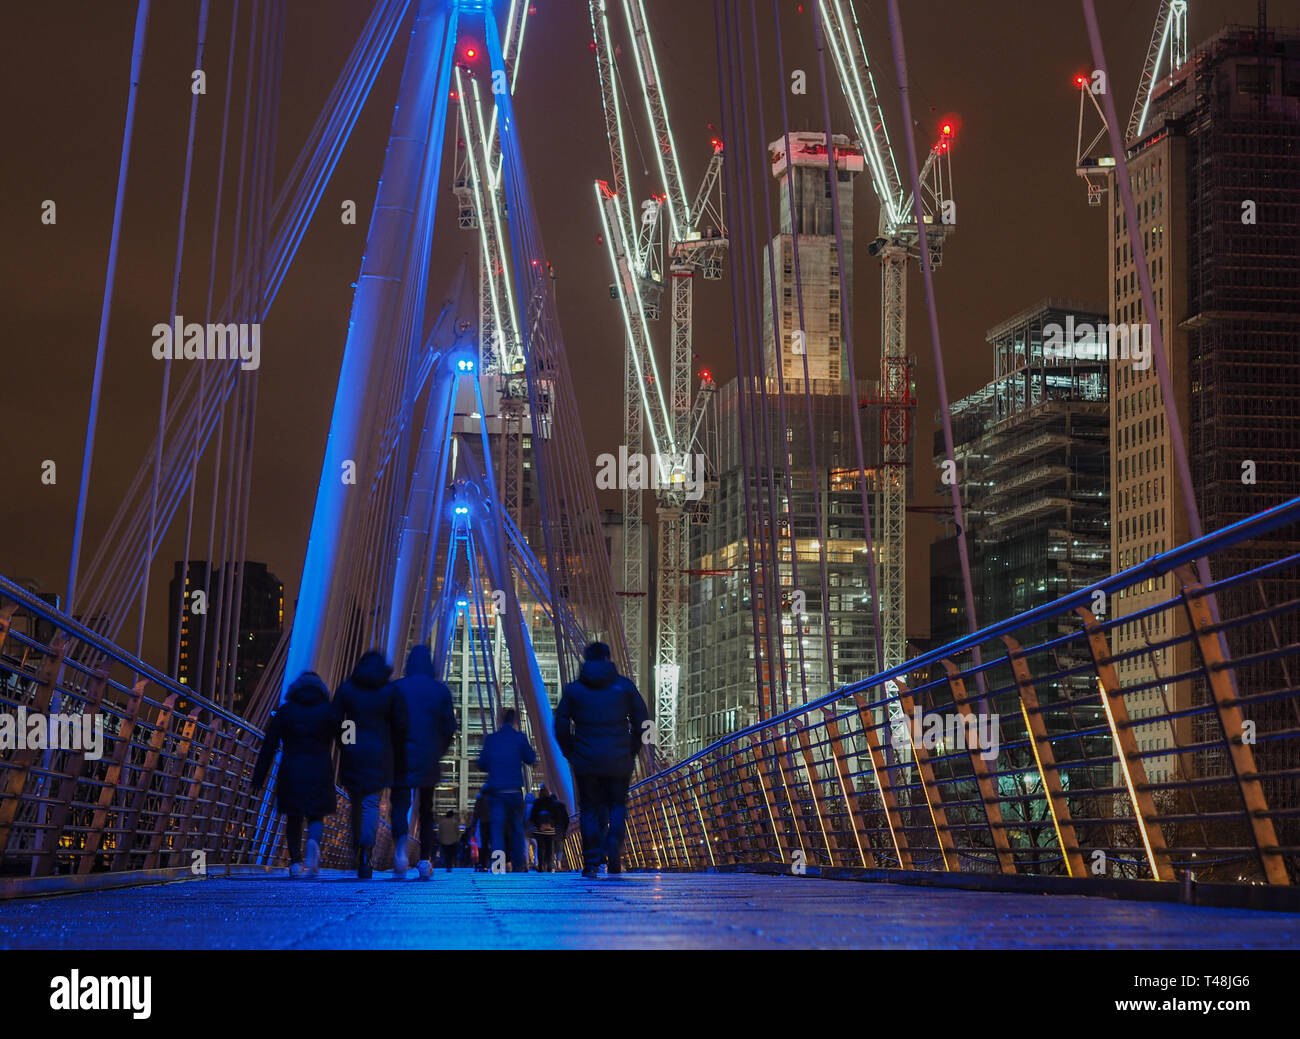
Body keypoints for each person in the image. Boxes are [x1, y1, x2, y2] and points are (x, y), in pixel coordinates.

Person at [555, 641, 649, 879]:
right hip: (619, 757)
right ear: (608, 659)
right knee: (617, 804)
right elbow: (644, 721)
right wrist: (633, 749)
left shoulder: (573, 690)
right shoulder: (625, 687)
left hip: (586, 759)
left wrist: (571, 752)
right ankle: (614, 844)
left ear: (586, 660)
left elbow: (561, 724)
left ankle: (591, 862)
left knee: (589, 809)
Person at [250, 671, 338, 879]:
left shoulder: (286, 711)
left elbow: (269, 745)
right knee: (316, 814)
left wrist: (258, 777)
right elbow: (346, 735)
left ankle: (296, 862)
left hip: (292, 770)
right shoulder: (329, 710)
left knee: (294, 817)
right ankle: (313, 845)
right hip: (320, 769)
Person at [333, 650, 408, 879]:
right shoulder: (390, 691)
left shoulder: (347, 688)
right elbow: (401, 726)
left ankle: (357, 848)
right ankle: (367, 851)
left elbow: (336, 720)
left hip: (354, 752)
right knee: (371, 802)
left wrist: (348, 742)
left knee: (356, 802)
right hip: (379, 754)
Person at [390, 644, 457, 879]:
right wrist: (439, 750)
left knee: (399, 804)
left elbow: (387, 724)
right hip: (429, 756)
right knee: (426, 809)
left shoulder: (396, 688)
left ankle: (400, 847)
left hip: (401, 756)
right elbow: (450, 728)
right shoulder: (440, 691)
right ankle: (425, 859)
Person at [477, 707, 536, 872]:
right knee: (517, 829)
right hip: (515, 791)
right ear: (515, 721)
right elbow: (530, 758)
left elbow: (482, 763)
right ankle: (519, 865)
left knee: (497, 830)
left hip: (497, 792)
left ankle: (498, 866)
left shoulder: (492, 740)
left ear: (501, 720)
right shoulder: (519, 738)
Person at [529, 783, 561, 872]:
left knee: (540, 848)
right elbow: (557, 816)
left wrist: (538, 825)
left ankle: (540, 866)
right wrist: (552, 824)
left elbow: (533, 816)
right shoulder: (552, 803)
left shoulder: (537, 802)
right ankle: (549, 866)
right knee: (549, 848)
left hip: (539, 829)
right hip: (550, 830)